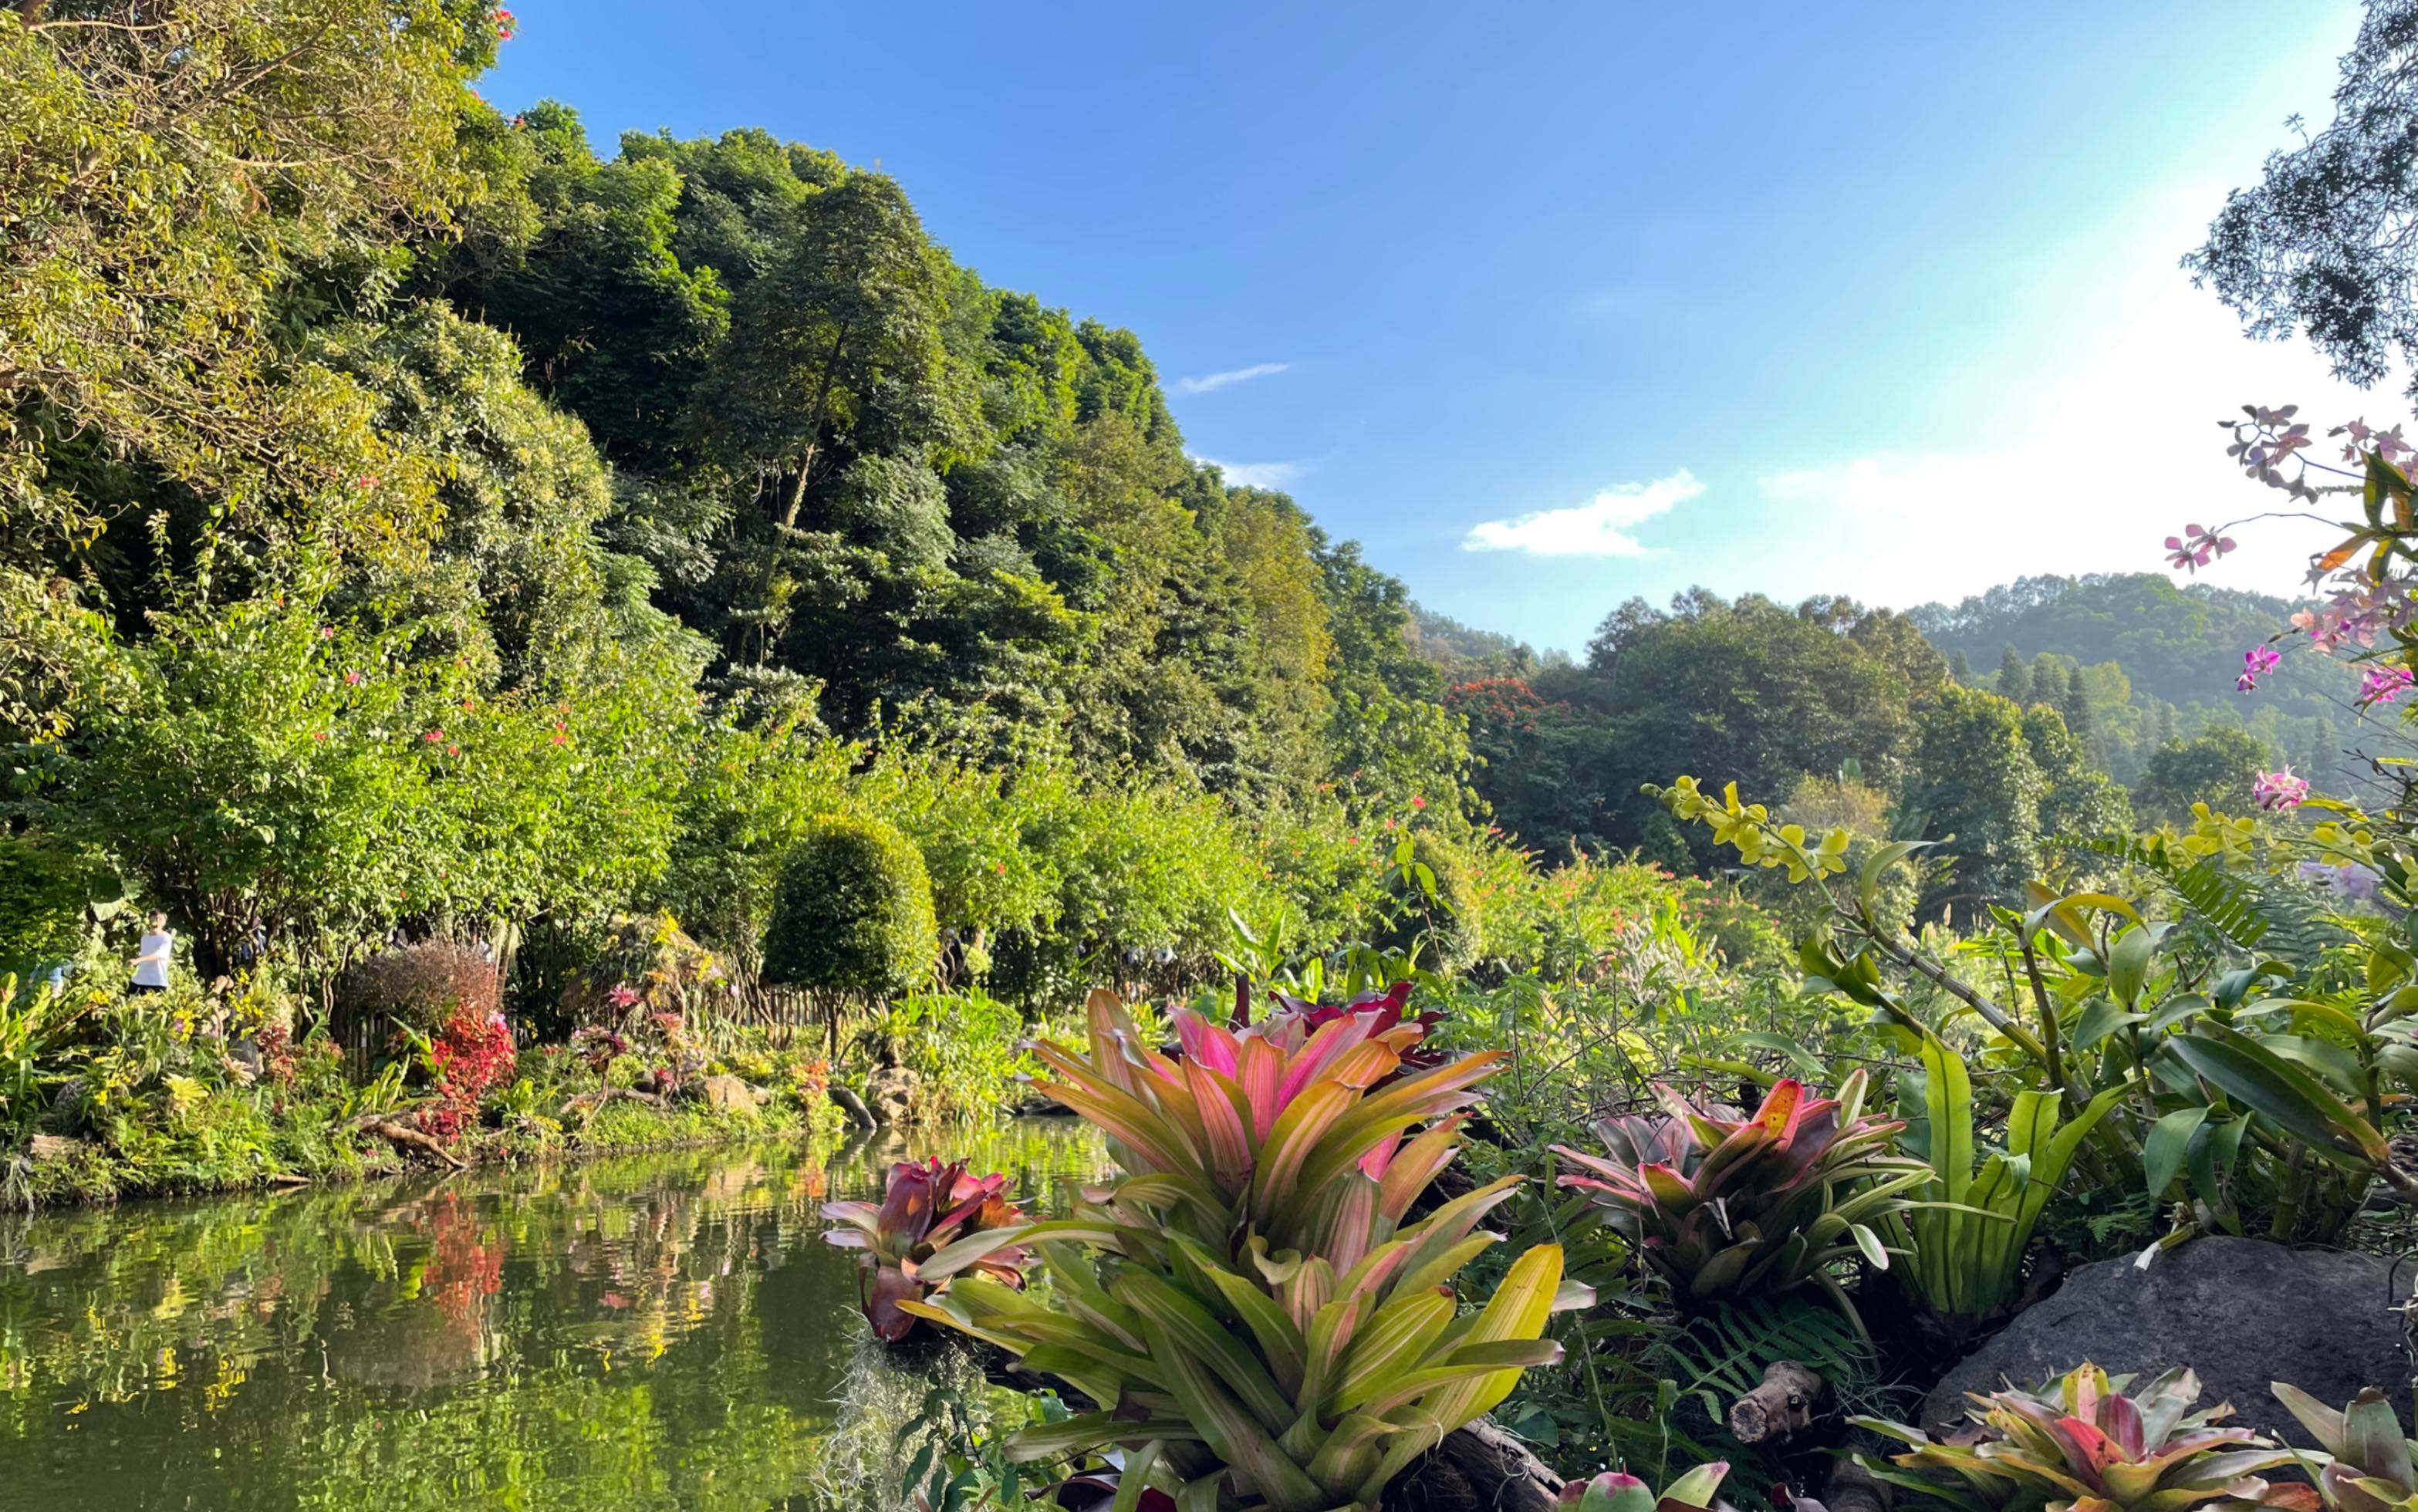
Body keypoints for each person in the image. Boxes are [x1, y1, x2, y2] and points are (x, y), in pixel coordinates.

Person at [130, 912, 174, 994]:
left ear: (164, 922)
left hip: (157, 982)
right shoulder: (145, 938)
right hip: (138, 981)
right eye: (154, 918)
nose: (157, 921)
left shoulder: (166, 937)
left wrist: (138, 960)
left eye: (160, 919)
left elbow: (157, 955)